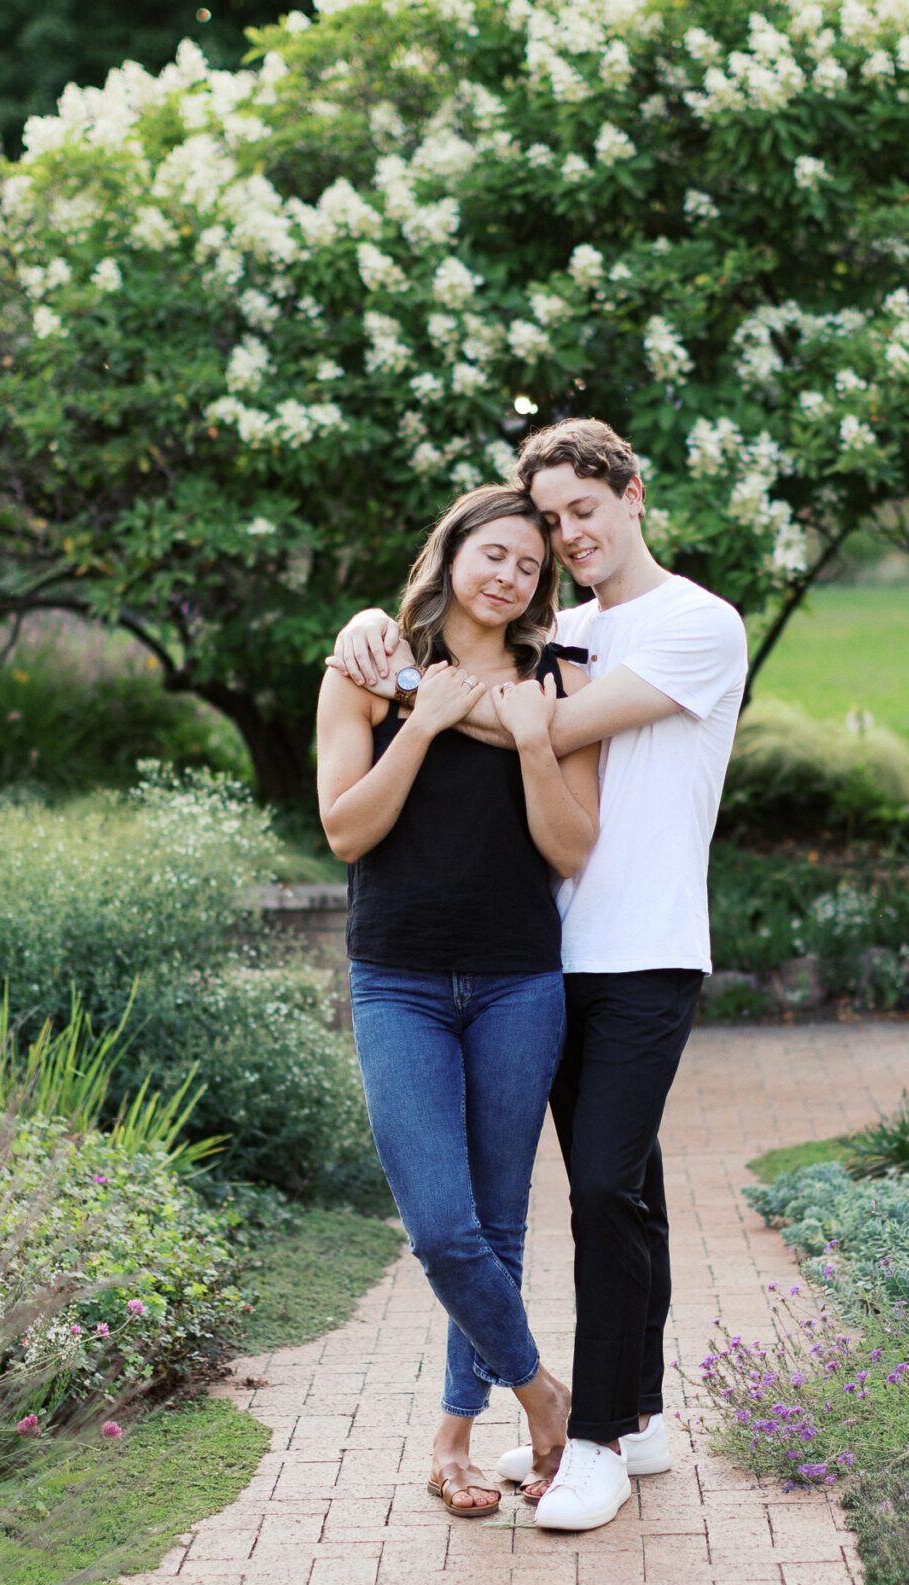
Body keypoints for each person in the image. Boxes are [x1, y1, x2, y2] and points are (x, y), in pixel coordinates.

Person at [329, 419, 748, 1533]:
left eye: (577, 515)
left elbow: (546, 726)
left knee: (600, 1188)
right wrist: (384, 641)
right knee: (618, 1196)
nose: (559, 541)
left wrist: (413, 679)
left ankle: (594, 1435)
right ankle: (630, 1413)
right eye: (542, 525)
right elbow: (459, 702)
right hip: (545, 958)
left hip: (637, 949)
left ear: (631, 493)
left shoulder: (690, 625)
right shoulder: (571, 627)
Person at [315, 484, 604, 1517]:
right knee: (442, 1228)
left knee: (497, 1222)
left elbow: (571, 849)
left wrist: (534, 738)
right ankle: (544, 1399)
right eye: (493, 554)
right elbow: (346, 832)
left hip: (519, 980)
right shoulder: (369, 668)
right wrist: (421, 725)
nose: (508, 576)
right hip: (398, 979)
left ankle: (452, 1441)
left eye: (529, 566)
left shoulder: (564, 680)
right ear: (451, 554)